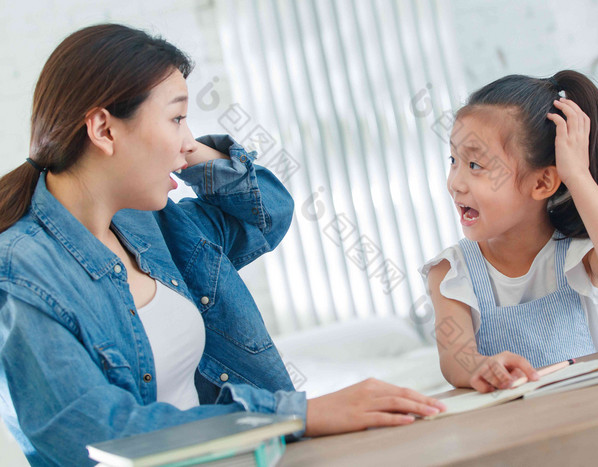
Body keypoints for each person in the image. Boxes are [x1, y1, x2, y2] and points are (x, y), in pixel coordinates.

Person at [0, 23, 445, 466]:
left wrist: (190, 153)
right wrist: (298, 415)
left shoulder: (152, 225)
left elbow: (268, 213)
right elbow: (97, 436)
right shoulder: (22, 272)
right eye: (176, 118)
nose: (187, 139)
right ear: (104, 129)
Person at [420, 70, 598, 394]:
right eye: (453, 160)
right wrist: (479, 366)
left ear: (543, 183)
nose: (455, 183)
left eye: (475, 165)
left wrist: (578, 176)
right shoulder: (451, 273)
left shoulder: (577, 256)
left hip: (589, 416)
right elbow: (455, 359)